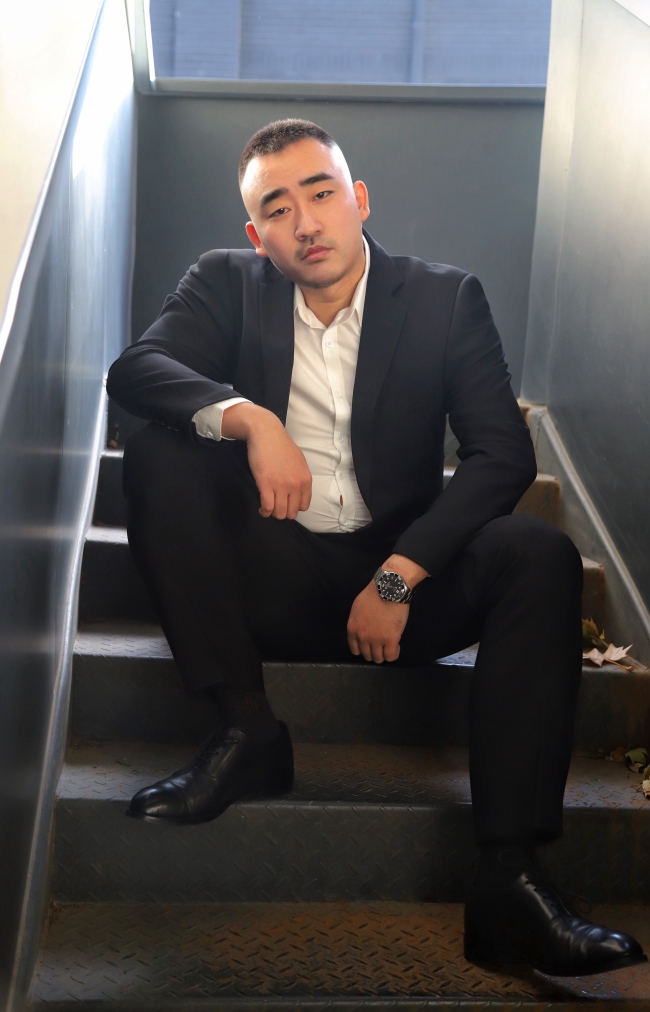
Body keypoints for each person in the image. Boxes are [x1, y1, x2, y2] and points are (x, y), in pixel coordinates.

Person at [106, 118, 645, 977]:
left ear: (358, 199)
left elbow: (503, 455)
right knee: (160, 450)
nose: (305, 222)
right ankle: (247, 731)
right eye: (277, 209)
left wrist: (399, 576)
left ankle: (510, 879)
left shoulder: (443, 298)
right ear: (257, 234)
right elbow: (136, 370)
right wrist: (251, 420)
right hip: (271, 576)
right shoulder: (225, 282)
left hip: (400, 591)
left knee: (537, 556)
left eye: (320, 193)